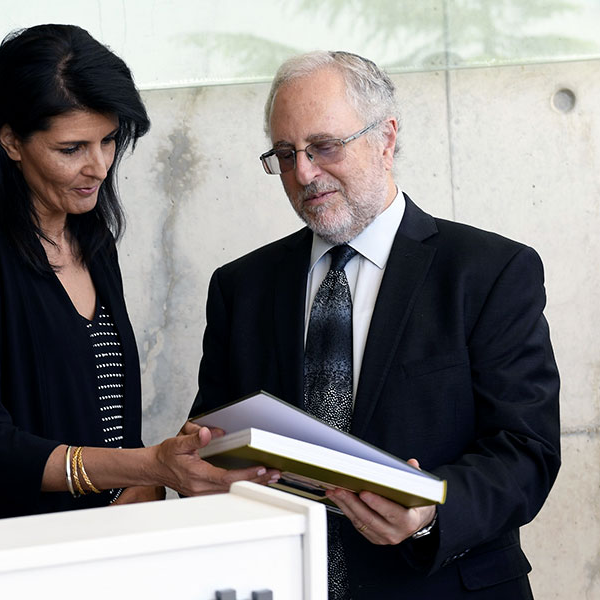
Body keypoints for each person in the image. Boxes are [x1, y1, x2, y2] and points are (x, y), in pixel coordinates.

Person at [190, 51, 560, 598]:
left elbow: (526, 450)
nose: (303, 173)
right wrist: (201, 464)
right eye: (286, 155)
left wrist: (431, 508)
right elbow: (213, 439)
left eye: (324, 147)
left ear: (386, 137)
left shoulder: (490, 271)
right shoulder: (239, 287)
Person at [0, 24, 276, 526]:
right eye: (72, 149)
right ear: (11, 141)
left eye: (108, 141)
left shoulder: (93, 238)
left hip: (108, 545)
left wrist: (146, 481)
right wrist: (149, 465)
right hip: (12, 558)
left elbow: (107, 420)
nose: (99, 167)